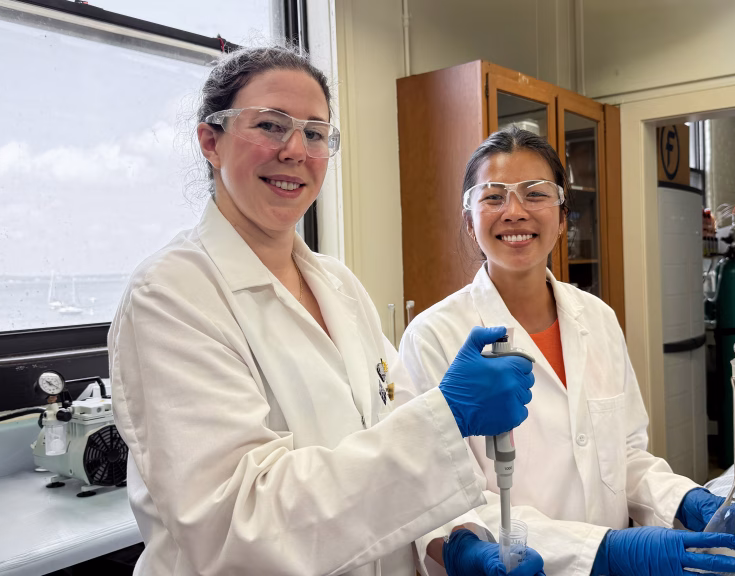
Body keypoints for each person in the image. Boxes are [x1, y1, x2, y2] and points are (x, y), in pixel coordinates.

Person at [108, 46, 546, 576]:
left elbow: (400, 444)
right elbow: (236, 524)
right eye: (270, 126)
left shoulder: (338, 285)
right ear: (211, 142)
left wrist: (451, 543)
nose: (295, 150)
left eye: (315, 133)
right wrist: (447, 417)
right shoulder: (171, 296)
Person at [396, 127, 735, 576]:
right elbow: (440, 501)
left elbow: (626, 457)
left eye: (535, 194)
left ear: (563, 217)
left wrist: (683, 498)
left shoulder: (597, 318)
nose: (515, 211)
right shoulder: (432, 336)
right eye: (493, 197)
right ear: (470, 221)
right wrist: (598, 550)